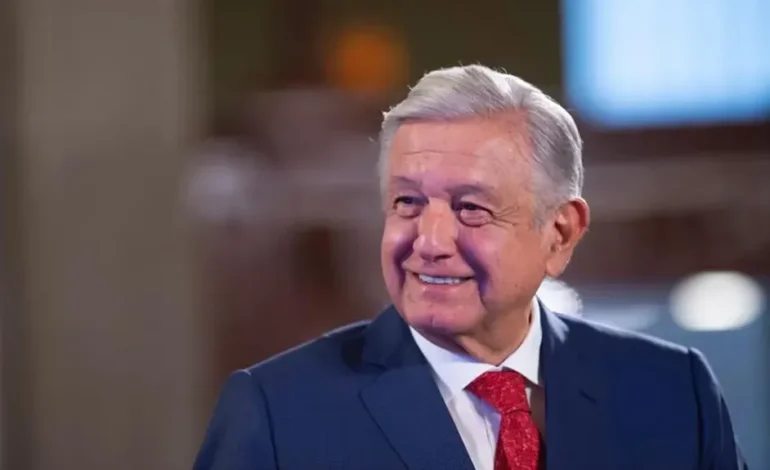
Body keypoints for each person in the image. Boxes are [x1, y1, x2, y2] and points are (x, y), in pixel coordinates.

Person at [193, 65, 748, 470]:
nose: (429, 241)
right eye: (407, 203)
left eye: (471, 209)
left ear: (560, 233)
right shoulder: (278, 414)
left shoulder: (673, 392)